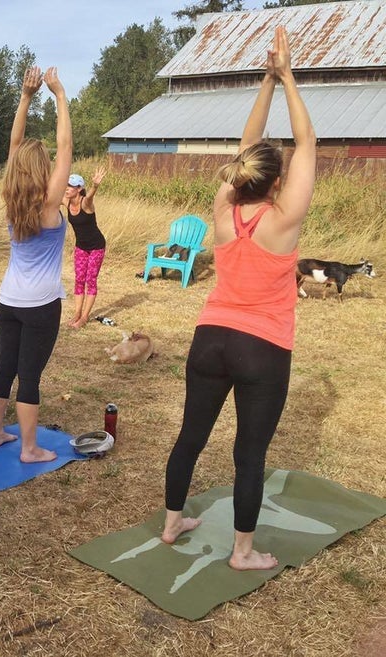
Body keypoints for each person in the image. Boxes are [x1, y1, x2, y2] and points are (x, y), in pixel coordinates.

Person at [161, 27, 316, 570]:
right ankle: (243, 553)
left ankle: (171, 522)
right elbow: (308, 145)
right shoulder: (283, 222)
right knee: (248, 455)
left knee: (190, 437)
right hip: (262, 347)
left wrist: (266, 83)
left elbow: (244, 150)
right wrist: (287, 76)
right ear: (275, 185)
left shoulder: (223, 213)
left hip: (210, 339)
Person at [0, 66, 72, 463]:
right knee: (30, 376)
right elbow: (66, 147)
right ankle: (29, 448)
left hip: (9, 300)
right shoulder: (50, 206)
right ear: (43, 171)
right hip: (40, 304)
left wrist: (25, 96)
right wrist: (59, 97)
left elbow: (14, 143)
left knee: (6, 366)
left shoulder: (11, 199)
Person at [63, 166, 107, 329]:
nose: (66, 188)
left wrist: (95, 185)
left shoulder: (86, 203)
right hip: (81, 247)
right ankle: (77, 313)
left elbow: (90, 196)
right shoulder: (66, 201)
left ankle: (85, 317)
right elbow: (51, 193)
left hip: (96, 246)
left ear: (79, 189)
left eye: (70, 186)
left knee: (91, 280)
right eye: (66, 185)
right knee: (79, 279)